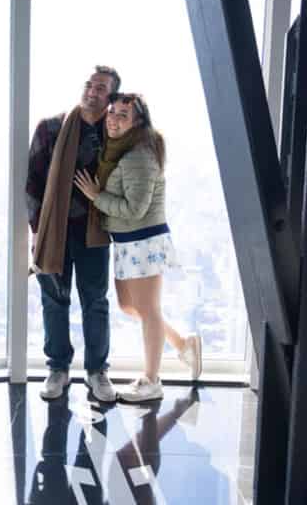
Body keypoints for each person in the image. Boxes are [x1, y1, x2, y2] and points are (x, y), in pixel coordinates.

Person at [74, 93, 201, 403]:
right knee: (130, 307)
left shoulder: (138, 157)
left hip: (143, 241)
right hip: (129, 242)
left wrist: (95, 196)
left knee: (148, 310)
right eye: (112, 113)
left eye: (123, 116)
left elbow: (135, 209)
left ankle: (152, 380)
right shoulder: (122, 151)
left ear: (137, 123)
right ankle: (183, 345)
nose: (114, 120)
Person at [27, 65, 121, 403]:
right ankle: (58, 369)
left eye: (101, 88)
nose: (92, 91)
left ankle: (97, 372)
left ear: (111, 97)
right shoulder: (51, 128)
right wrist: (37, 230)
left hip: (96, 232)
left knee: (95, 303)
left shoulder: (115, 136)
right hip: (54, 232)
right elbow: (33, 182)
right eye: (90, 85)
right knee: (54, 300)